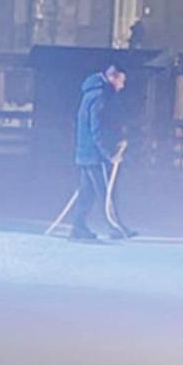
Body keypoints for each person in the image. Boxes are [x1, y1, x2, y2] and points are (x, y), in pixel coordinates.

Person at [69, 62, 132, 242]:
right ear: (112, 76)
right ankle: (116, 228)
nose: (122, 85)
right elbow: (97, 128)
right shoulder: (99, 96)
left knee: (87, 193)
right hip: (94, 155)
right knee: (106, 192)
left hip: (86, 153)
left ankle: (78, 227)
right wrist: (109, 154)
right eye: (121, 81)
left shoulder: (92, 93)